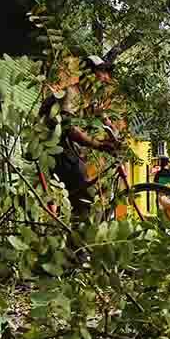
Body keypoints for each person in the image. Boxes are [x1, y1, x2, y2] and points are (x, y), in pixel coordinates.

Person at [40, 55, 122, 220]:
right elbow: (69, 128)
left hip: (70, 151)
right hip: (55, 149)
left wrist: (116, 137)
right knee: (85, 199)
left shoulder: (90, 99)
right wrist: (98, 145)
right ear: (89, 74)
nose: (107, 77)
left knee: (86, 192)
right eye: (103, 72)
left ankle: (74, 235)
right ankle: (78, 241)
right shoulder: (72, 93)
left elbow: (104, 119)